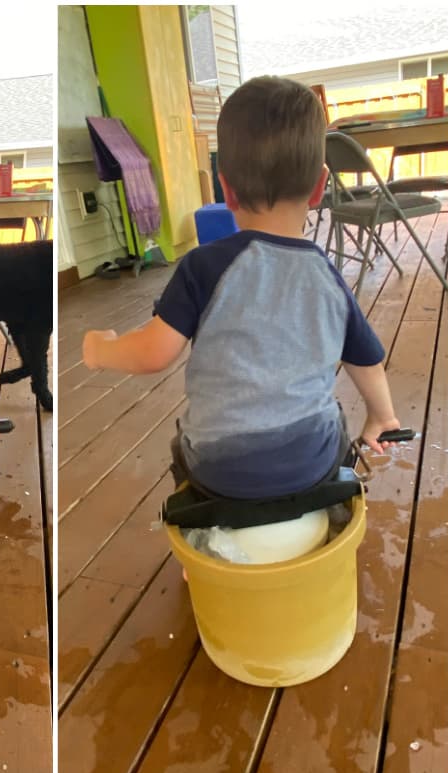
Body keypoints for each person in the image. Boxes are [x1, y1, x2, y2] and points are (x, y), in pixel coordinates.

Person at [82, 76, 399, 500]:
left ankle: (206, 539)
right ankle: (324, 519)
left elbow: (152, 353)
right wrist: (382, 417)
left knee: (183, 443)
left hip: (219, 469)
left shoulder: (203, 266)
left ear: (225, 188)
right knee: (332, 421)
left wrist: (100, 349)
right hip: (313, 463)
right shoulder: (327, 275)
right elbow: (366, 359)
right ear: (320, 188)